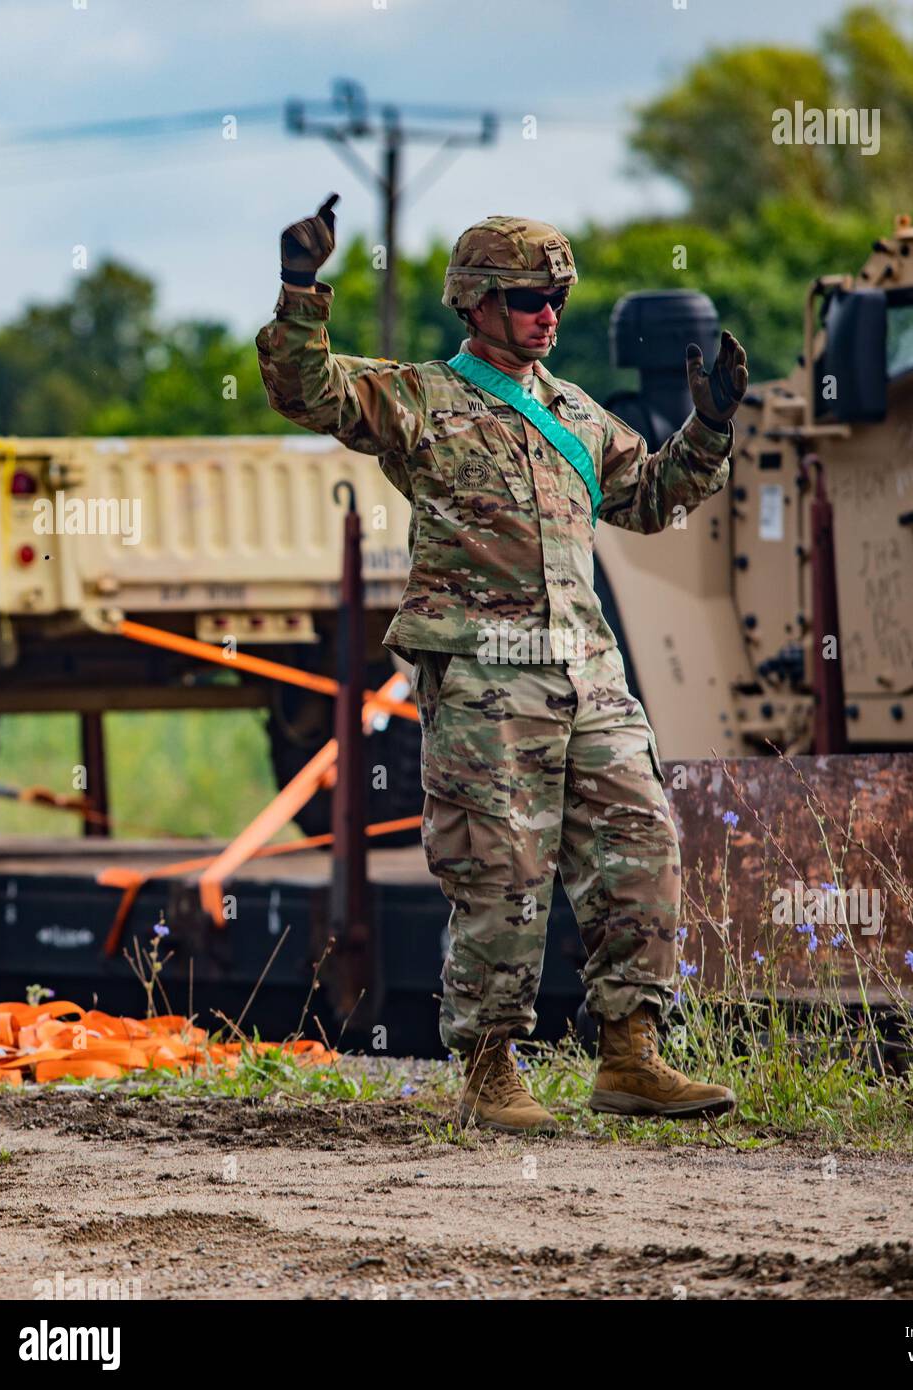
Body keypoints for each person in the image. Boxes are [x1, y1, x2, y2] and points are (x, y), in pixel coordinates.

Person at [256, 196, 748, 1135]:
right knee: (500, 874)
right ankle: (490, 1070)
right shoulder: (421, 399)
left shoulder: (576, 415)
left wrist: (710, 429)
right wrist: (300, 287)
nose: (548, 314)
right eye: (529, 297)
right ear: (476, 302)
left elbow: (647, 500)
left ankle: (631, 1057)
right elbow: (305, 388)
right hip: (484, 677)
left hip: (589, 675)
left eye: (557, 297)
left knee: (638, 852)